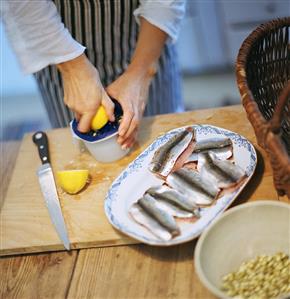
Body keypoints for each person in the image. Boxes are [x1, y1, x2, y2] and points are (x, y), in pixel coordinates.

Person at [1, 0, 186, 149]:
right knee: (77, 150)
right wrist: (71, 67)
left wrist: (142, 72)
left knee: (167, 143)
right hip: (57, 53)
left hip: (144, 42)